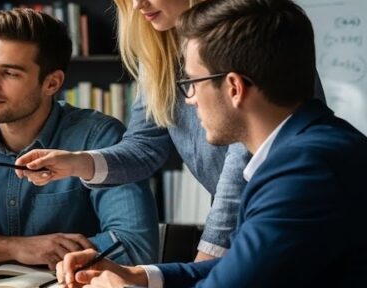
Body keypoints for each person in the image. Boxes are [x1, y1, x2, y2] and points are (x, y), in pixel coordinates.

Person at [54, 0, 367, 287]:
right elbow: (239, 266)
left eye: (190, 83)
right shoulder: (308, 148)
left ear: (234, 87)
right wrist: (138, 276)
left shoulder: (300, 173)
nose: (187, 102)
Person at [0, 8, 158, 267]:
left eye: (10, 73)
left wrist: (54, 253)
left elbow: (136, 247)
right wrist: (13, 248)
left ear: (52, 83)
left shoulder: (98, 137)